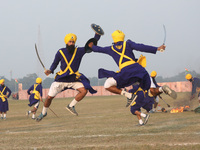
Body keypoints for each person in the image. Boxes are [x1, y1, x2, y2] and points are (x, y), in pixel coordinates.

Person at [36, 29, 103, 122]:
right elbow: (54, 63)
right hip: (61, 80)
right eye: (70, 42)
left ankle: (71, 106)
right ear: (66, 42)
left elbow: (90, 45)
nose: (71, 43)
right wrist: (50, 70)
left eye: (73, 42)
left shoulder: (79, 51)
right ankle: (43, 113)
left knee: (84, 91)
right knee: (49, 98)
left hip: (74, 79)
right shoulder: (60, 52)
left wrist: (97, 35)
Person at [90, 30, 166, 107]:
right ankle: (161, 89)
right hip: (140, 70)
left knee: (107, 85)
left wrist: (96, 37)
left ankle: (129, 96)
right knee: (150, 91)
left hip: (126, 72)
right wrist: (157, 48)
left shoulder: (111, 49)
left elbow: (95, 48)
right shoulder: (128, 43)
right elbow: (141, 47)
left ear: (114, 39)